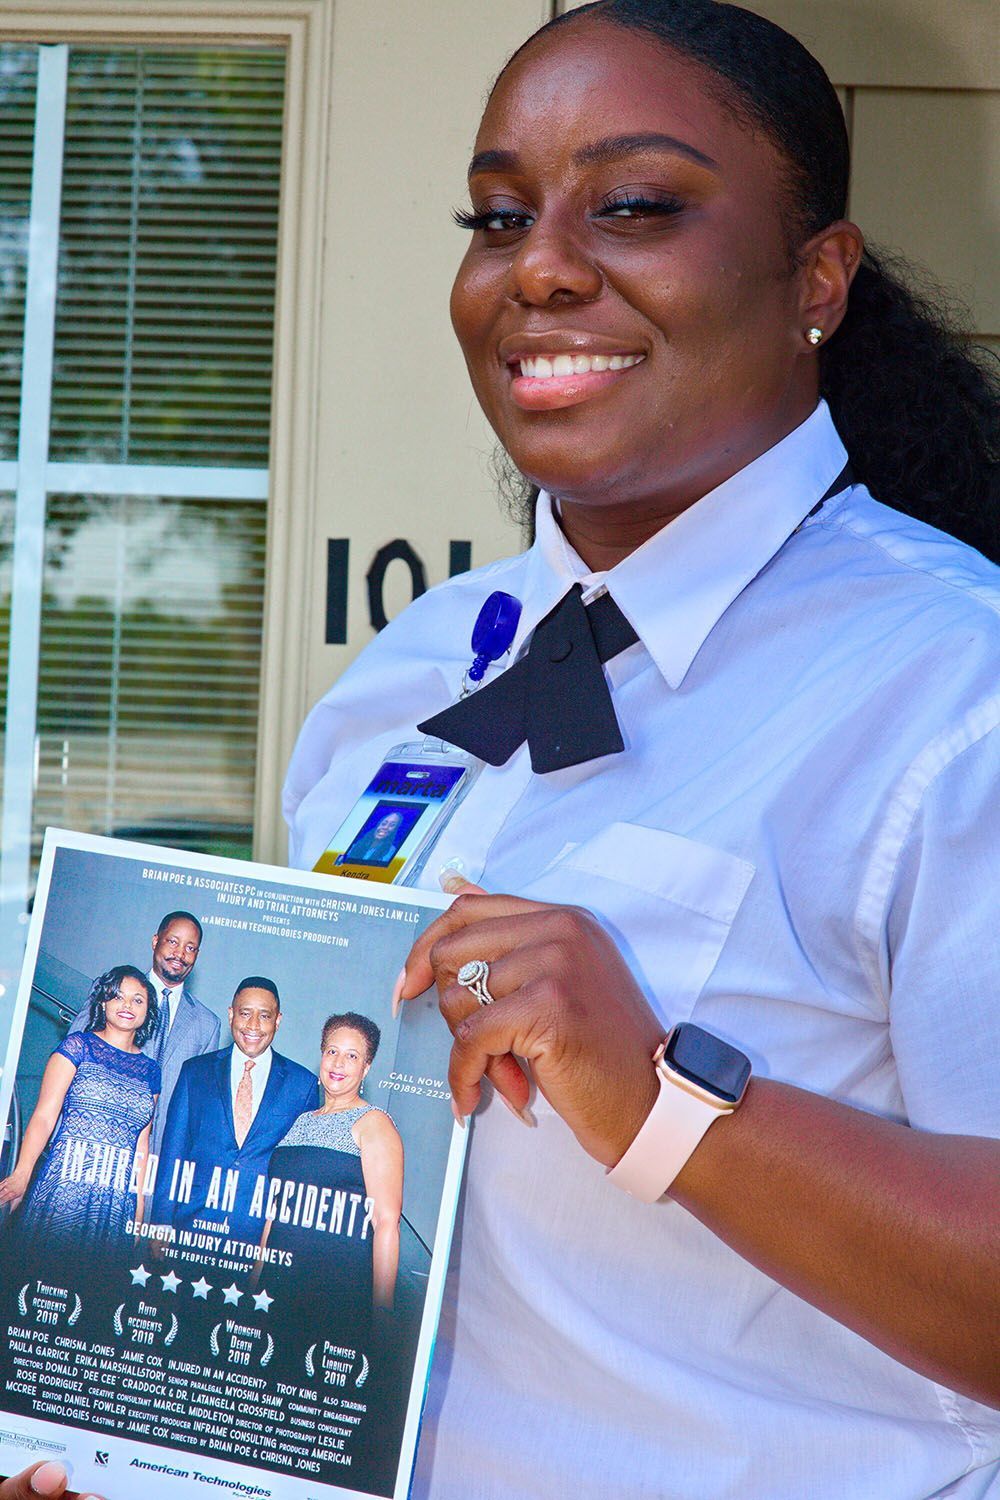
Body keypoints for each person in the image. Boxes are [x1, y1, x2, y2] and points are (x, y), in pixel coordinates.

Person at [5, 0, 998, 1496]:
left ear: (818, 277)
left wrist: (660, 1090)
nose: (539, 266)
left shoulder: (953, 687)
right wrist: (147, 1442)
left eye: (637, 207)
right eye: (499, 216)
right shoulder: (405, 671)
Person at [0, 966, 160, 1265]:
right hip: (65, 1185)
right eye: (118, 997)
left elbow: (142, 1143)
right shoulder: (77, 1047)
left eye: (138, 1000)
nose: (127, 1006)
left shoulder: (151, 1070)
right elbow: (45, 1117)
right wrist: (22, 1173)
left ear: (148, 1010)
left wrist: (139, 1209)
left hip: (116, 1200)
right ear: (103, 1003)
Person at [261, 1012, 404, 1330]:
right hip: (277, 1287)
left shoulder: (374, 1123)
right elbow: (275, 1214)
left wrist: (381, 1313)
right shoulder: (300, 1121)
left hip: (335, 1291)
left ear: (366, 1067)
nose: (338, 1063)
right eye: (332, 1051)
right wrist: (255, 1282)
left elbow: (386, 1223)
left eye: (352, 1056)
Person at [151, 976, 318, 1245]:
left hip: (258, 1239)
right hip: (190, 1228)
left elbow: (300, 1176)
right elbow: (174, 1152)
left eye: (264, 1016)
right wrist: (160, 1223)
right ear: (231, 1015)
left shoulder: (303, 1085)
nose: (253, 1025)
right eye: (245, 1013)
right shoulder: (195, 1072)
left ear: (278, 1020)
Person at [68, 909, 219, 1160]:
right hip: (95, 1137)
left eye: (190, 948)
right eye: (173, 941)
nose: (180, 954)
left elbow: (199, 1107)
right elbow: (70, 1063)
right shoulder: (110, 991)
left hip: (159, 1155)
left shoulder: (207, 1024)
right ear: (155, 941)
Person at [341, 807, 406, 865]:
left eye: (392, 825)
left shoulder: (391, 852)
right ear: (378, 825)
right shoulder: (357, 844)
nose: (386, 827)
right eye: (384, 823)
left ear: (395, 830)